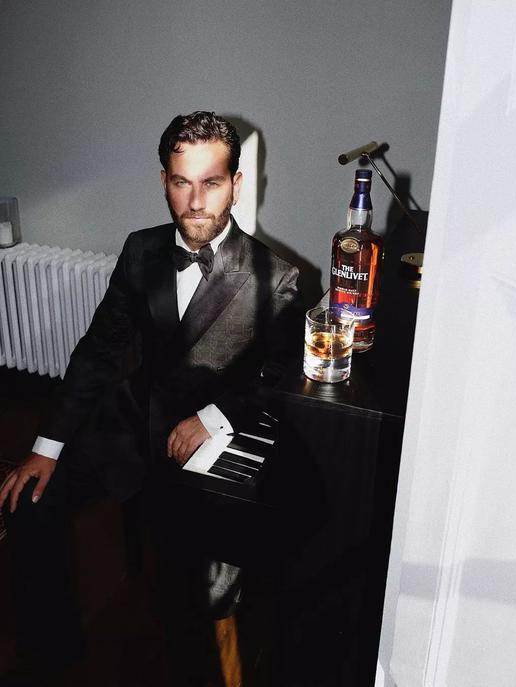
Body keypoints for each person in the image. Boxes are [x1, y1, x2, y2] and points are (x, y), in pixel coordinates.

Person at [0, 111, 303, 686]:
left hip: (206, 447)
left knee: (188, 590)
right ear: (163, 180)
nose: (196, 201)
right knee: (29, 503)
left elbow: (277, 376)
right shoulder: (141, 251)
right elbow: (99, 350)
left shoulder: (277, 277)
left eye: (211, 182)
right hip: (130, 424)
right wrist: (46, 445)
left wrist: (213, 417)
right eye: (181, 182)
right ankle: (51, 656)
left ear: (237, 184)